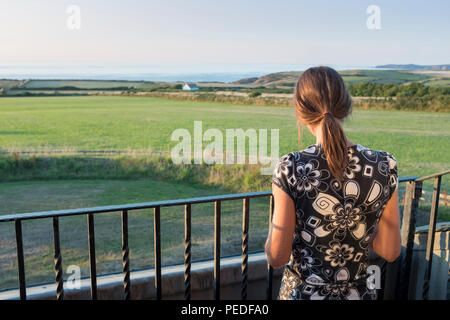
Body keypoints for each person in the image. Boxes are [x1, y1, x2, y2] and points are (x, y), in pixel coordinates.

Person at [265, 66, 400, 300]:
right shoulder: (384, 165)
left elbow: (276, 257)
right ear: (346, 107)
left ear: (301, 111)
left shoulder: (292, 167)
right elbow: (390, 251)